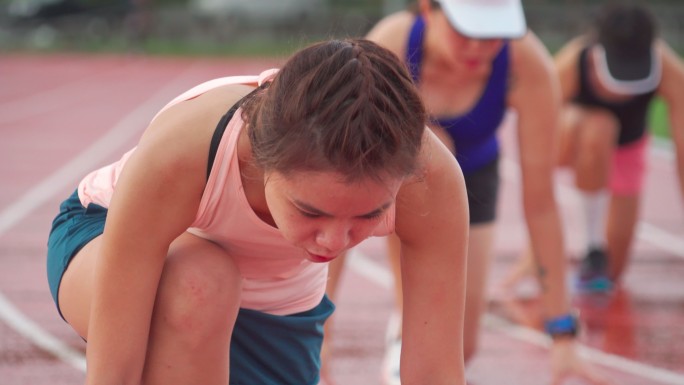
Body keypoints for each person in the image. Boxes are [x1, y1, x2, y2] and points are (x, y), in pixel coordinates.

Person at [45, 38, 470, 385]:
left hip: (278, 300)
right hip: (110, 243)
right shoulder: (185, 149)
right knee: (201, 282)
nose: (335, 243)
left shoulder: (429, 182)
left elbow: (435, 372)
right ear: (262, 162)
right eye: (311, 212)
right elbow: (114, 373)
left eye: (367, 217)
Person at [323, 1, 610, 385]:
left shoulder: (528, 66)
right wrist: (319, 328)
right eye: (467, 32)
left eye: (493, 35)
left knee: (459, 349)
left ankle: (406, 326)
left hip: (474, 174)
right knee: (429, 145)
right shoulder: (389, 46)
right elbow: (336, 184)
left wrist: (562, 334)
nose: (479, 48)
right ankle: (410, 313)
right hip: (393, 175)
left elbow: (541, 203)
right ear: (428, 9)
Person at [502, 2, 684, 292]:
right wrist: (537, 246)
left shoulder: (666, 69)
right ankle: (591, 249)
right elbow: (535, 151)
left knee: (614, 273)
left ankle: (600, 261)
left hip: (627, 149)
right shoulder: (573, 64)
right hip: (570, 139)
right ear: (597, 50)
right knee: (600, 127)